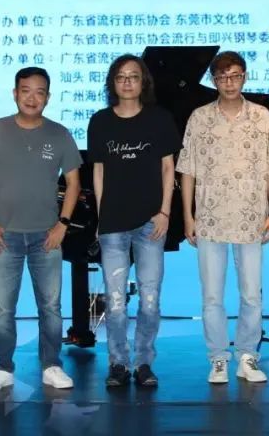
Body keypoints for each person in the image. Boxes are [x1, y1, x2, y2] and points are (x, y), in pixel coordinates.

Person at [0, 67, 82, 392]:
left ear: (48, 97)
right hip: (4, 236)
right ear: (15, 93)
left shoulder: (59, 134)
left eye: (40, 92)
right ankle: (2, 367)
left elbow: (74, 183)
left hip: (47, 236)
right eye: (26, 90)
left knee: (51, 308)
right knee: (4, 309)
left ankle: (51, 365)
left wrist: (62, 225)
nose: (32, 98)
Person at [177, 51, 269, 384]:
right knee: (212, 296)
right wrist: (188, 217)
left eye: (235, 75)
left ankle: (248, 356)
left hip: (251, 217)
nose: (229, 83)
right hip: (210, 218)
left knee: (251, 294)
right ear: (213, 81)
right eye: (222, 77)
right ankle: (218, 358)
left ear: (245, 77)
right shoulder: (199, 118)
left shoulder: (262, 116)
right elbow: (188, 171)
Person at [87, 55, 180, 389]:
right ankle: (117, 363)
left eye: (134, 76)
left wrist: (165, 212)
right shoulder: (100, 121)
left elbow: (168, 168)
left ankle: (143, 362)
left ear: (144, 82)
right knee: (114, 303)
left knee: (150, 301)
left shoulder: (160, 119)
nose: (127, 82)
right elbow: (98, 171)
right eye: (121, 77)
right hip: (113, 223)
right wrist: (101, 218)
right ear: (112, 83)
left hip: (151, 223)